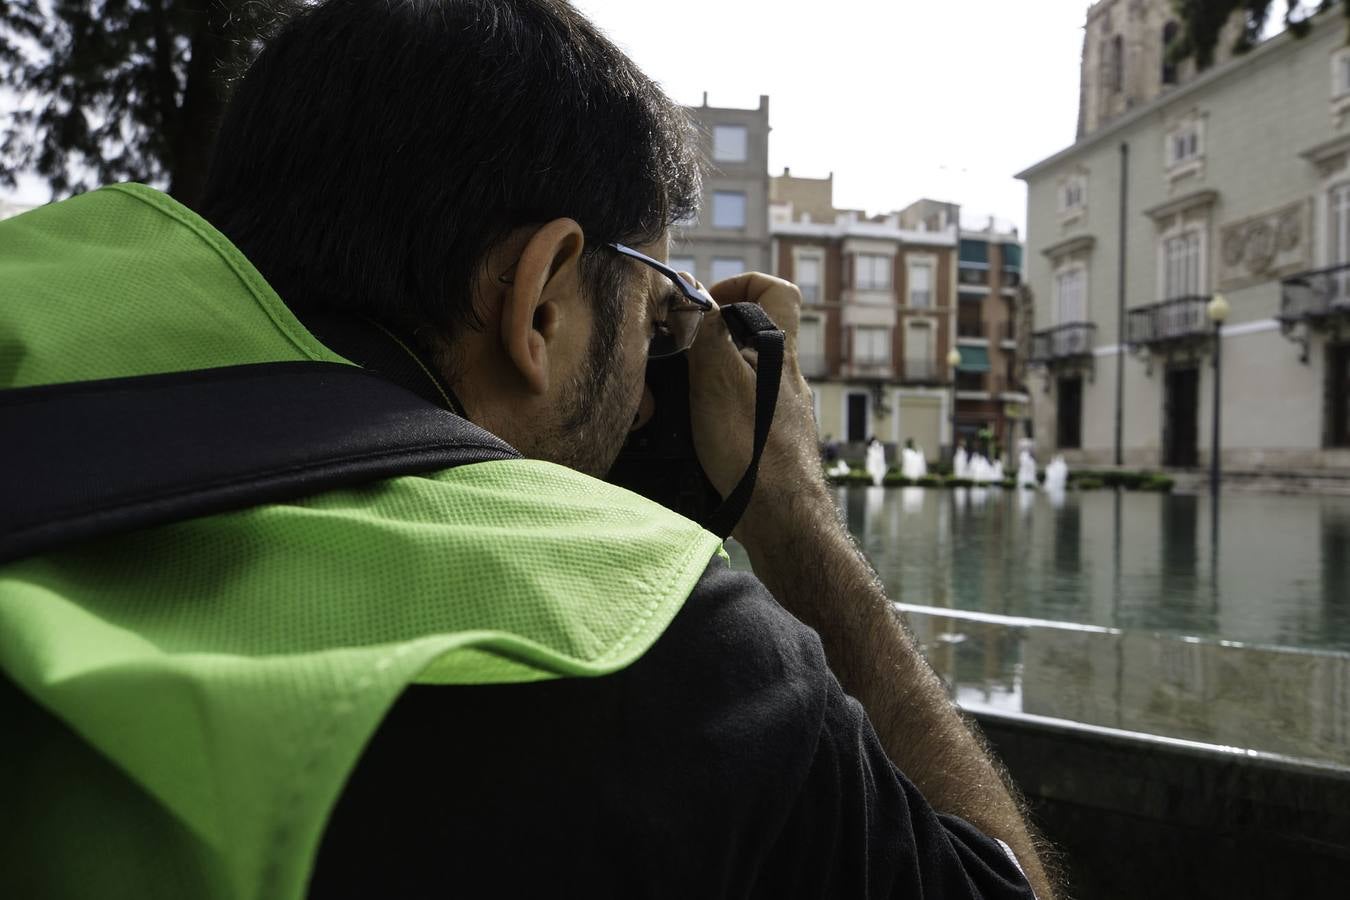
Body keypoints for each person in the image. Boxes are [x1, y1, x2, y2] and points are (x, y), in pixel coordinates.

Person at [0, 2, 1056, 898]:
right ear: (542, 299)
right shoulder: (650, 644)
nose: (649, 400)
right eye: (652, 320)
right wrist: (796, 517)